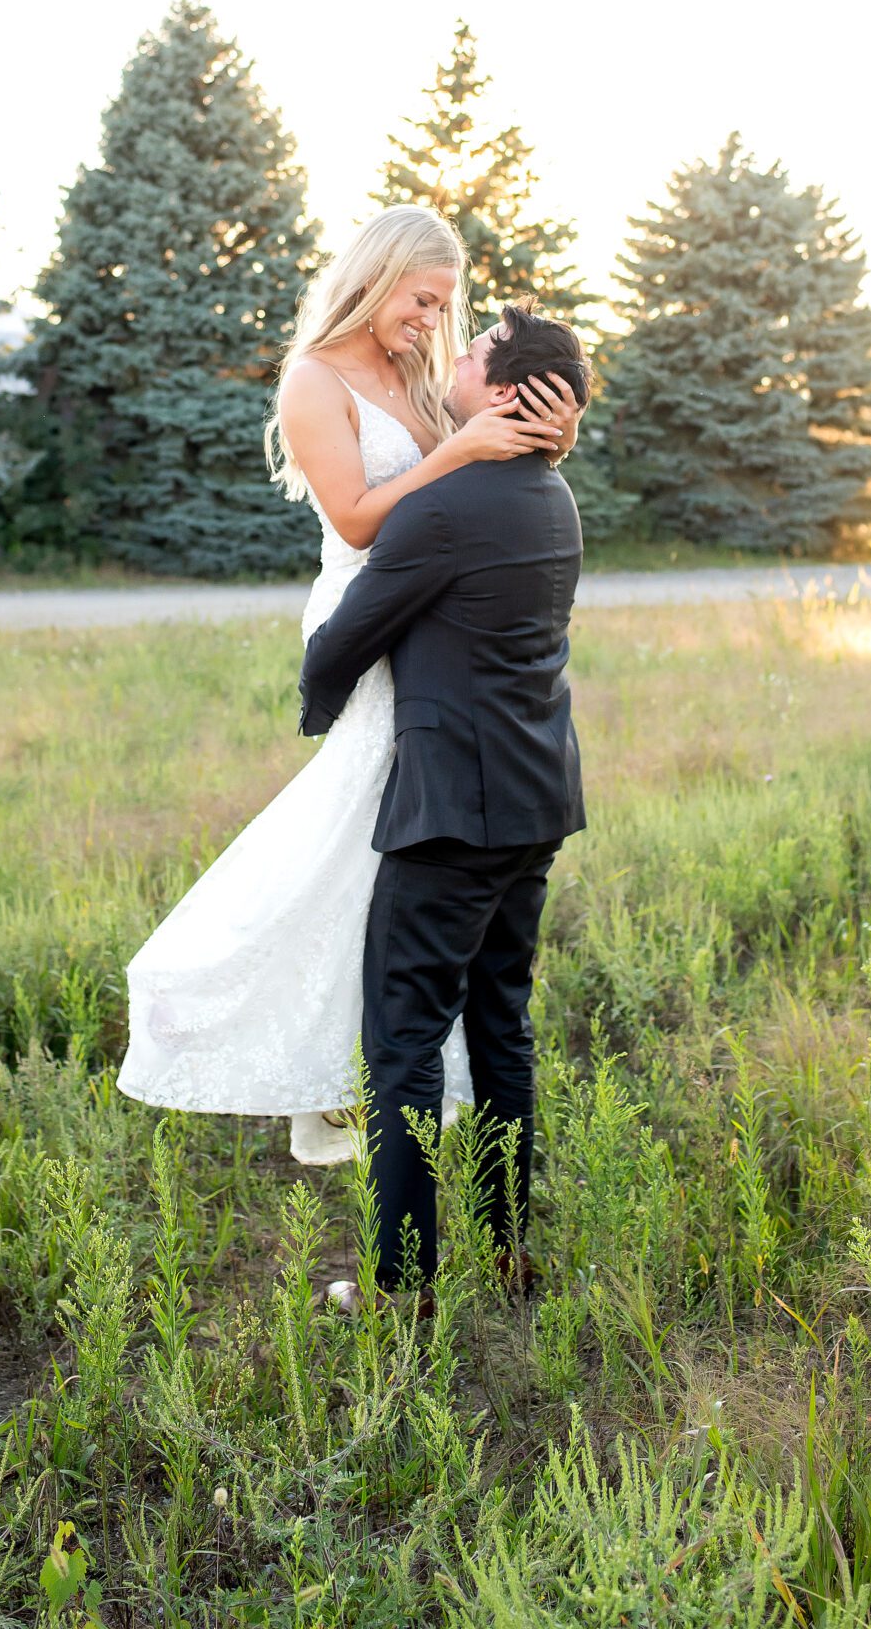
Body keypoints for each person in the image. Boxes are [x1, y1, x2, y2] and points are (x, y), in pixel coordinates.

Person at [116, 205, 581, 1161]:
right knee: (351, 854)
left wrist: (550, 436)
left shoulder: (420, 371)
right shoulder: (310, 381)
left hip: (433, 618)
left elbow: (492, 461)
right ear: (376, 277)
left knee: (397, 861)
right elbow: (364, 522)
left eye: (445, 305)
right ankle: (311, 1045)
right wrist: (456, 454)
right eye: (421, 298)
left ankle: (385, 1063)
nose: (431, 320)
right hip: (368, 615)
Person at [297, 300, 591, 1302]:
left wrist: (316, 694)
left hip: (450, 815)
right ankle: (508, 1251)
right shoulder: (555, 498)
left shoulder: (443, 506)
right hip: (538, 797)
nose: (456, 348)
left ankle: (403, 1282)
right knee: (501, 1026)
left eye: (476, 350)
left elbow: (347, 638)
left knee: (405, 1042)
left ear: (505, 394)